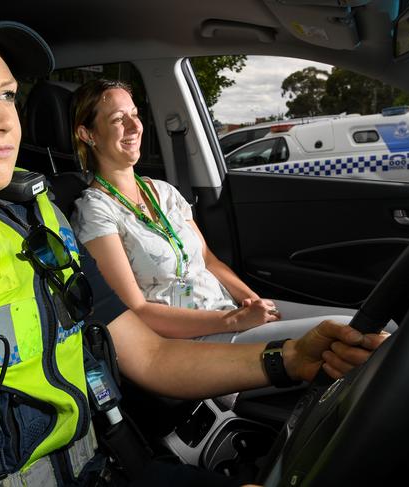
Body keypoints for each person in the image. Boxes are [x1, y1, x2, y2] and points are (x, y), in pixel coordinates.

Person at [0, 2, 386, 486]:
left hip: (111, 467)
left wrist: (290, 360)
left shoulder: (33, 216)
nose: (4, 121)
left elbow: (149, 357)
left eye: (6, 93)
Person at [70, 78, 355, 344]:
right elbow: (137, 312)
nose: (135, 127)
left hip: (228, 311)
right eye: (119, 119)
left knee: (364, 324)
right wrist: (235, 320)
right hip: (195, 338)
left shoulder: (163, 192)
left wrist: (253, 302)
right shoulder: (95, 211)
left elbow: (208, 260)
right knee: (351, 339)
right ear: (87, 134)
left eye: (135, 114)